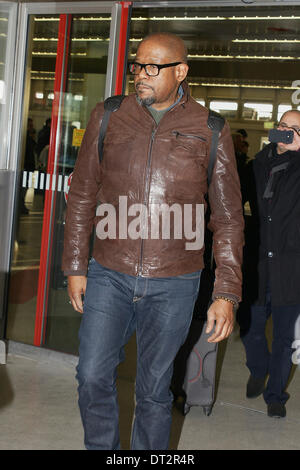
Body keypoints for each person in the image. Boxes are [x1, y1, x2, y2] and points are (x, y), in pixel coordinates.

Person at [62, 32, 244, 450]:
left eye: (152, 68)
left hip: (175, 282)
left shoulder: (210, 128)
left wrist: (226, 292)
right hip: (109, 272)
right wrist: (75, 266)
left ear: (180, 72)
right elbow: (84, 193)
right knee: (91, 375)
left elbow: (229, 218)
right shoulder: (108, 114)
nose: (140, 75)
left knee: (155, 390)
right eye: (137, 65)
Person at [239, 110, 300, 418]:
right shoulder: (258, 165)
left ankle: (275, 394)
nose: (285, 132)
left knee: (284, 338)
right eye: (282, 127)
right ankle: (257, 368)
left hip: (291, 268)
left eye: (294, 130)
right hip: (258, 263)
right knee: (250, 326)